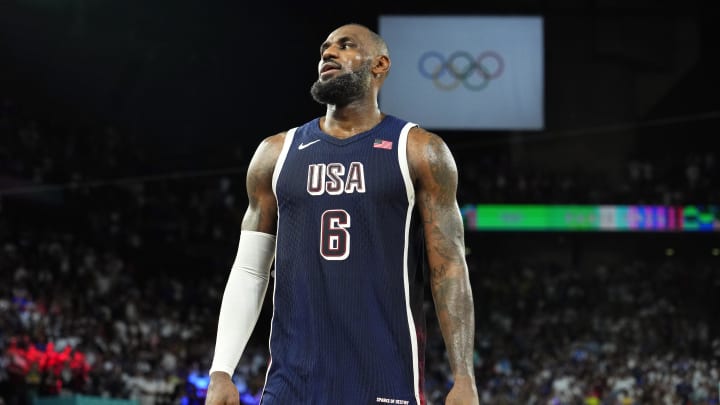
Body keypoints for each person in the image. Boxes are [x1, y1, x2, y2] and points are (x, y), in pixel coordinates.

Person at [205, 23, 479, 405]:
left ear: (380, 64)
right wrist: (221, 370)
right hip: (291, 385)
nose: (328, 54)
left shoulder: (418, 149)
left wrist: (463, 376)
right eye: (324, 49)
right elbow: (250, 270)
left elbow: (448, 268)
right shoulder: (274, 154)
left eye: (345, 46)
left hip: (386, 378)